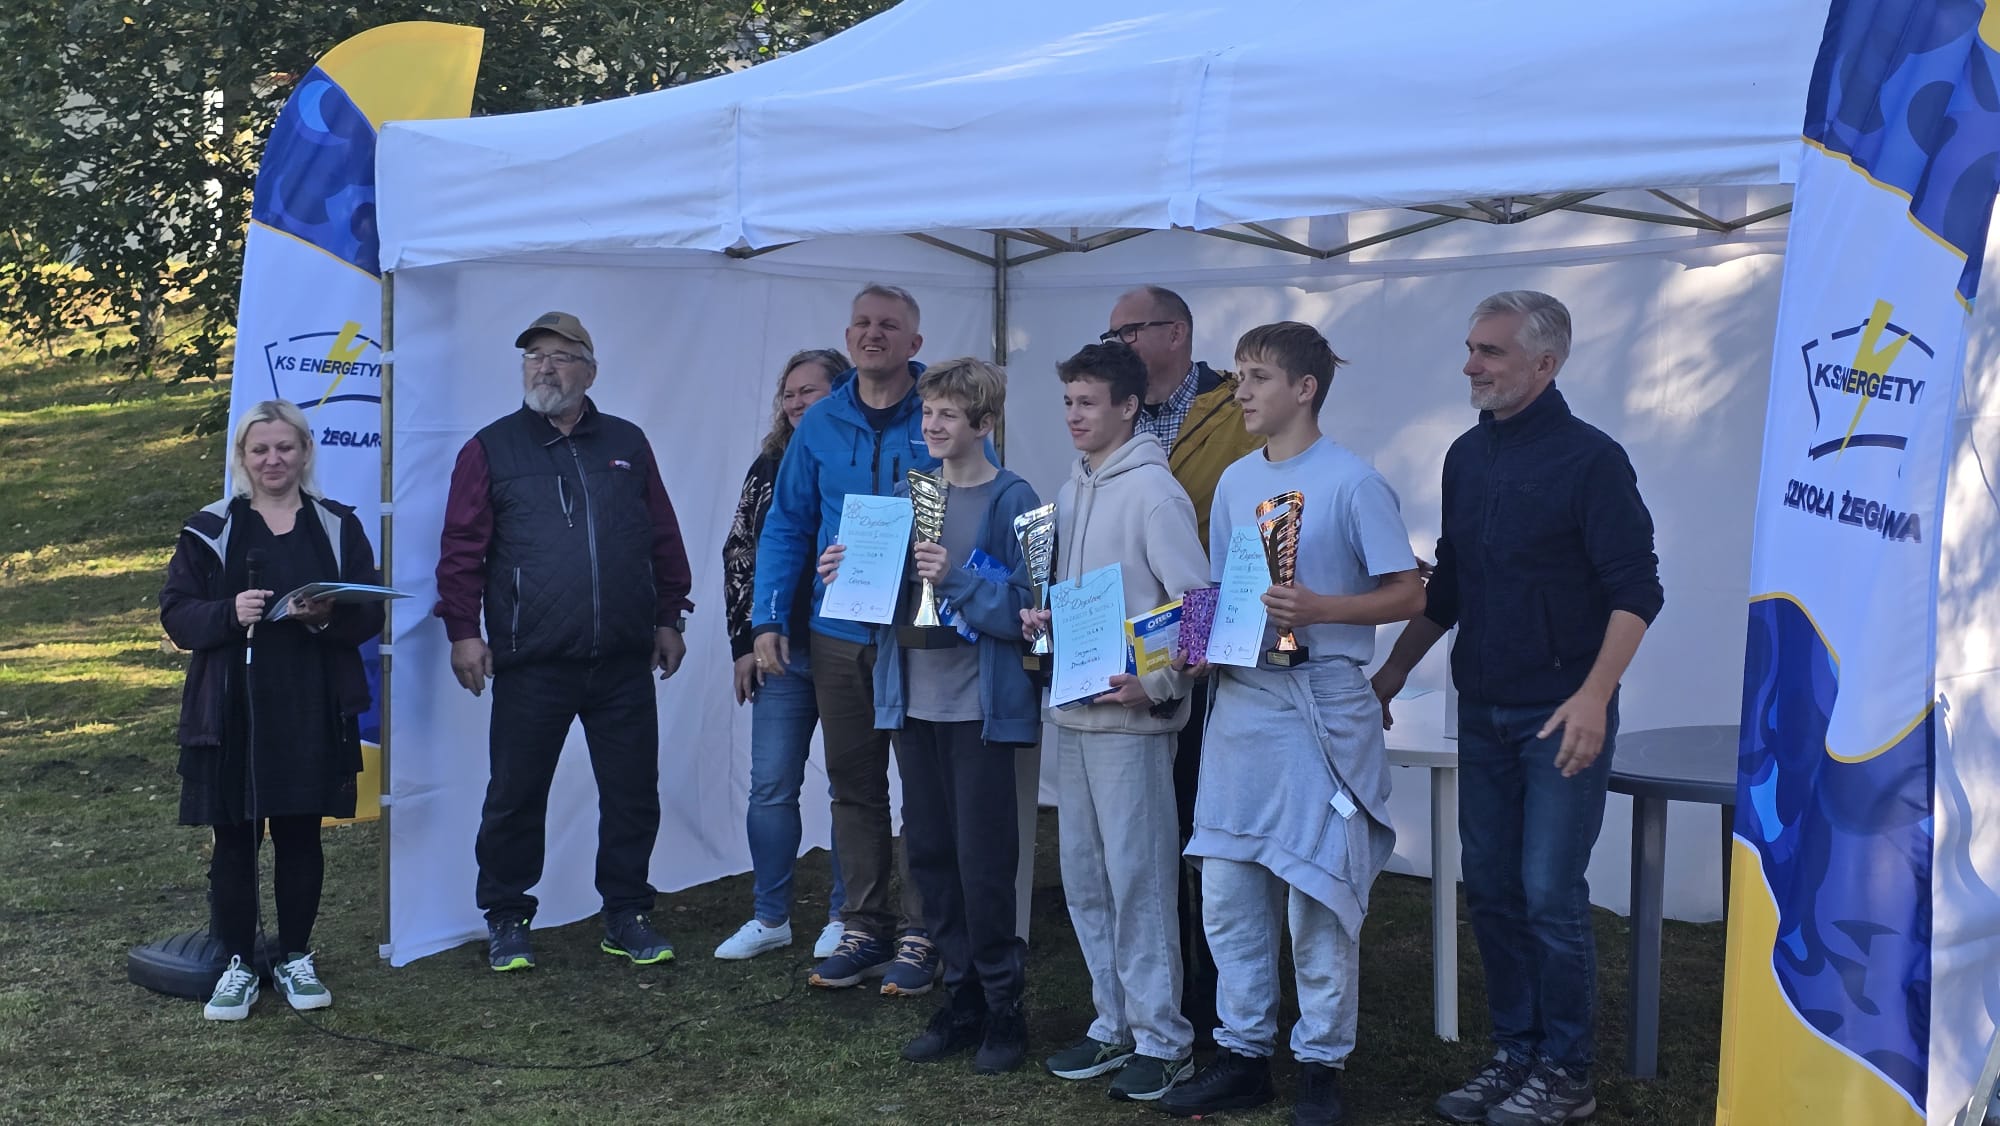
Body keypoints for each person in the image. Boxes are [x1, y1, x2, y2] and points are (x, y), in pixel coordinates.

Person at [1372, 291, 1663, 1126]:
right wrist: (1392, 672)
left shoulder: (1593, 460)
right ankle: (1516, 1054)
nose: (1471, 365)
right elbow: (1451, 586)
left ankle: (1567, 1073)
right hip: (1484, 708)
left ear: (1546, 363)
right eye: (1471, 347)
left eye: (1490, 351)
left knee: (1548, 893)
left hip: (1559, 713)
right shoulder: (1466, 456)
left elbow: (1637, 591)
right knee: (1494, 890)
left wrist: (1594, 698)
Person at [1163, 323, 1424, 1125]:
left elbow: (1410, 591)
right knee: (1228, 889)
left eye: (1257, 377)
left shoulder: (1353, 482)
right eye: (1239, 375)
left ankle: (1320, 1066)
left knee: (1318, 892)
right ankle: (1243, 1054)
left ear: (1304, 389)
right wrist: (1197, 648)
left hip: (1321, 702)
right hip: (1242, 706)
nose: (1240, 391)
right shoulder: (1237, 481)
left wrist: (1322, 609)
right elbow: (1221, 587)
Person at [435, 311, 695, 973]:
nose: (544, 368)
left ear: (590, 371)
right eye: (534, 357)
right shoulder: (491, 449)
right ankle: (506, 916)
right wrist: (464, 632)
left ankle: (627, 913)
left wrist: (669, 616)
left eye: (559, 356)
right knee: (516, 795)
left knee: (632, 793)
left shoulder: (628, 444)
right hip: (533, 660)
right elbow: (461, 550)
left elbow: (662, 535)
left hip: (623, 659)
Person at [753, 284, 991, 994]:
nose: (872, 334)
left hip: (919, 632)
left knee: (924, 789)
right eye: (861, 323)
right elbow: (788, 523)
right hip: (839, 629)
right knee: (854, 785)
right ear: (848, 336)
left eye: (889, 325)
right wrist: (768, 617)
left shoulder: (941, 412)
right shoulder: (821, 421)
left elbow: (979, 503)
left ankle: (923, 931)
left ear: (915, 343)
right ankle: (862, 925)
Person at [819, 358, 1043, 1073]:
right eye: (928, 412)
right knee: (932, 858)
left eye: (949, 413)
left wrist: (957, 579)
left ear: (985, 422)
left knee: (984, 861)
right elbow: (885, 605)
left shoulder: (1014, 497)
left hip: (979, 710)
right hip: (912, 705)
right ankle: (961, 997)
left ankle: (1005, 1007)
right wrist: (848, 576)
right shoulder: (908, 493)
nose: (934, 424)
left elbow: (1031, 612)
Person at [160, 399, 385, 1021]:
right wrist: (228, 613)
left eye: (285, 447)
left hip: (311, 703)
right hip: (231, 706)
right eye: (260, 449)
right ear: (242, 456)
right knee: (234, 840)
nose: (273, 460)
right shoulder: (210, 528)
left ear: (305, 452)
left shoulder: (337, 526)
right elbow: (177, 614)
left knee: (299, 836)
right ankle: (236, 963)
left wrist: (325, 618)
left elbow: (369, 613)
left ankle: (294, 955)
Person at [1029, 341, 1212, 1103]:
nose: (1074, 415)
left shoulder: (1155, 493)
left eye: (1088, 402)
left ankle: (1166, 1040)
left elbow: (1200, 608)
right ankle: (1114, 1024)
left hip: (1133, 729)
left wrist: (1156, 684)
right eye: (1068, 401)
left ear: (1129, 407)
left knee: (1140, 881)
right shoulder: (1069, 489)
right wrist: (1046, 620)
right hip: (1075, 719)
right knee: (1085, 879)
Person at [1105, 284, 1261, 1041]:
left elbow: (1237, 543)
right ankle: (1160, 989)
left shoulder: (1236, 410)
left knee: (1204, 823)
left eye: (1129, 331)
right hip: (1132, 655)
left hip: (1213, 655)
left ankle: (1214, 991)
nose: (1117, 345)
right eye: (1112, 334)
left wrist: (1197, 650)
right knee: (1149, 827)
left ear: (1176, 333)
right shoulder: (1114, 413)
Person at [714, 348, 852, 962]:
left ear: (840, 394)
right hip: (781, 652)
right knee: (770, 786)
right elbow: (740, 552)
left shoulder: (853, 457)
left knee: (852, 787)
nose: (795, 402)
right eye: (788, 393)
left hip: (847, 645)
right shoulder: (768, 465)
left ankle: (848, 916)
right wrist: (744, 641)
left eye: (809, 391)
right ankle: (770, 917)